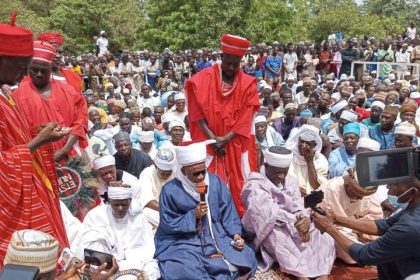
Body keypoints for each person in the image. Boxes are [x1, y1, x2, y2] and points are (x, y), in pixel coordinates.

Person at [0, 17, 70, 264]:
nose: (23, 74)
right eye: (20, 66)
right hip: (12, 198)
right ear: (2, 60)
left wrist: (34, 132)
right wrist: (38, 142)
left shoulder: (5, 92)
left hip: (31, 182)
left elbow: (10, 139)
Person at [155, 140, 257, 279]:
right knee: (183, 268)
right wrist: (193, 216)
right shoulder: (170, 190)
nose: (201, 177)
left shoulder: (215, 182)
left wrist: (236, 235)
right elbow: (168, 224)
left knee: (245, 257)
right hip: (185, 241)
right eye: (195, 174)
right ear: (183, 171)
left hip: (218, 235)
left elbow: (228, 212)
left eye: (203, 171)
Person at [186, 34, 260, 216]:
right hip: (209, 143)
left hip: (234, 142)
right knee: (208, 183)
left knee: (238, 183)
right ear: (222, 57)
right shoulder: (202, 79)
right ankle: (210, 220)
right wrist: (213, 139)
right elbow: (196, 113)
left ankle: (239, 221)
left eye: (236, 64)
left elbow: (247, 115)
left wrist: (225, 139)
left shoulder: (248, 83)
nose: (232, 68)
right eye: (228, 63)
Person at [241, 147, 335, 279]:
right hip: (267, 227)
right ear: (266, 166)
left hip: (294, 223)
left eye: (284, 172)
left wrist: (304, 219)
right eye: (277, 172)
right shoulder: (254, 184)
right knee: (279, 236)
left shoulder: (290, 180)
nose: (281, 176)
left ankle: (322, 274)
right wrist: (297, 223)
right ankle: (302, 275)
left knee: (323, 233)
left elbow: (298, 204)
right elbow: (269, 214)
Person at [313, 171, 420, 279]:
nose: (387, 186)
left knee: (380, 254)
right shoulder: (410, 207)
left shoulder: (410, 227)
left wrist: (329, 228)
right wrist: (336, 219)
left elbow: (364, 255)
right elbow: (383, 225)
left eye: (393, 184)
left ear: (412, 192)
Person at [12, 41, 88, 162]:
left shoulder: (70, 92)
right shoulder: (17, 96)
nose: (39, 74)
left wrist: (64, 150)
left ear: (51, 69)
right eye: (34, 70)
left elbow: (80, 123)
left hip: (70, 155)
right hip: (37, 160)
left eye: (44, 71)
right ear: (28, 68)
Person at [80, 186, 160, 279]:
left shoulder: (138, 218)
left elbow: (144, 248)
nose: (120, 208)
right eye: (116, 205)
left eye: (124, 204)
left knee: (152, 270)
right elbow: (89, 247)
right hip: (105, 265)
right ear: (109, 201)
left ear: (130, 201)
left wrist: (123, 266)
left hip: (134, 263)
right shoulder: (96, 215)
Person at [285, 124, 328, 195]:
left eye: (308, 143)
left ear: (315, 145)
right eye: (301, 141)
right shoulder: (289, 156)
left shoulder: (321, 160)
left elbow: (317, 186)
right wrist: (296, 189)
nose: (303, 146)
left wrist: (309, 161)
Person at [138, 149, 175, 217]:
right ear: (155, 166)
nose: (165, 176)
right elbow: (147, 200)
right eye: (162, 173)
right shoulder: (147, 173)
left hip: (173, 209)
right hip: (156, 209)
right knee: (145, 212)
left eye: (168, 174)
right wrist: (169, 211)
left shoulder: (176, 173)